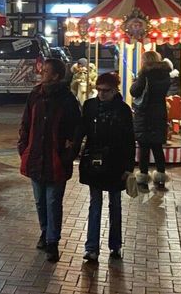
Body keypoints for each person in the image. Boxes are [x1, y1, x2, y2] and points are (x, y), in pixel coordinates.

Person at [18, 57, 82, 263]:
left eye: (46, 70)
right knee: (39, 201)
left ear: (55, 75)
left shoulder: (67, 100)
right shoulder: (35, 95)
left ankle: (53, 241)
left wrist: (68, 154)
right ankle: (45, 232)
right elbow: (26, 122)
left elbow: (75, 131)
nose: (41, 73)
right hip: (36, 155)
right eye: (42, 70)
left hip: (56, 159)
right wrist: (24, 146)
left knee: (53, 201)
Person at [74, 72, 135, 262]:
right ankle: (91, 247)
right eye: (99, 90)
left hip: (116, 162)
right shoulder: (90, 106)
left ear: (115, 90)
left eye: (106, 91)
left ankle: (115, 244)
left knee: (115, 203)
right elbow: (81, 129)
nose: (101, 94)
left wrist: (128, 167)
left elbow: (128, 140)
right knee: (95, 203)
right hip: (94, 159)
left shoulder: (123, 110)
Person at [129, 50, 172, 191]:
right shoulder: (165, 74)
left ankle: (142, 179)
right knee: (157, 147)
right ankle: (160, 179)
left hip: (145, 114)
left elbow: (134, 91)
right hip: (159, 112)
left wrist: (135, 82)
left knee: (144, 148)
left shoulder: (145, 74)